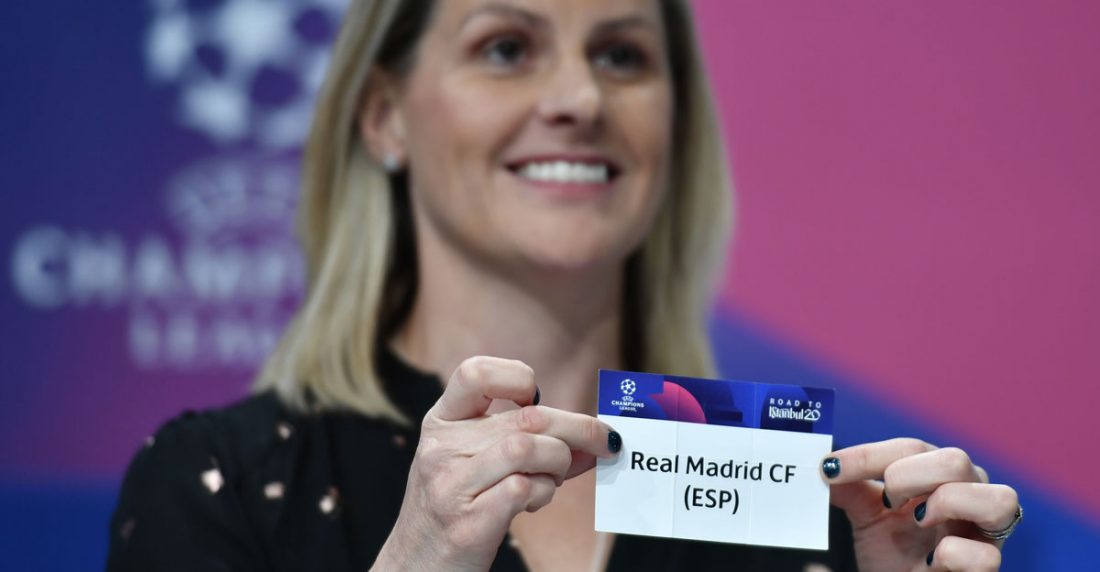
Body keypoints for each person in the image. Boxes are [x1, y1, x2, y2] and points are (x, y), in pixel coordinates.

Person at [107, 0, 1022, 570]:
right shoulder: (215, 488)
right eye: (506, 47)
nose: (580, 100)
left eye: (623, 54)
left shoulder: (814, 517)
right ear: (384, 117)